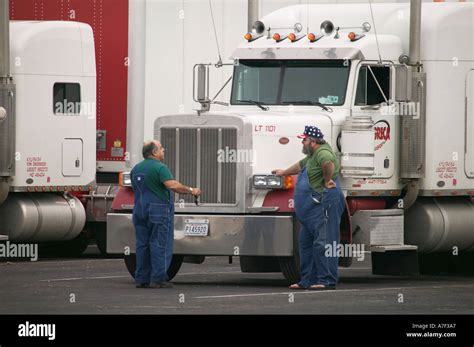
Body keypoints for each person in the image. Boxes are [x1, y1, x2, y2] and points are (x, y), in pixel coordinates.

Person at [272, 126, 345, 290]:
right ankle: (308, 279)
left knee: (323, 243)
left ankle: (326, 280)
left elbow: (328, 163)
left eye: (303, 140)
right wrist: (284, 172)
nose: (302, 142)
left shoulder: (323, 153)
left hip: (324, 204)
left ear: (312, 142)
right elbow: (299, 166)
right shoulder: (312, 156)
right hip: (310, 210)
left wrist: (327, 181)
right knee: (305, 244)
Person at [131, 140, 201, 288]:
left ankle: (142, 279)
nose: (164, 150)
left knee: (142, 244)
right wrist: (191, 190)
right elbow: (172, 185)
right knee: (159, 244)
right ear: (154, 152)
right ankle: (158, 278)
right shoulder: (160, 168)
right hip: (158, 210)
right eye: (161, 148)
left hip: (139, 210)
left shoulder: (136, 168)